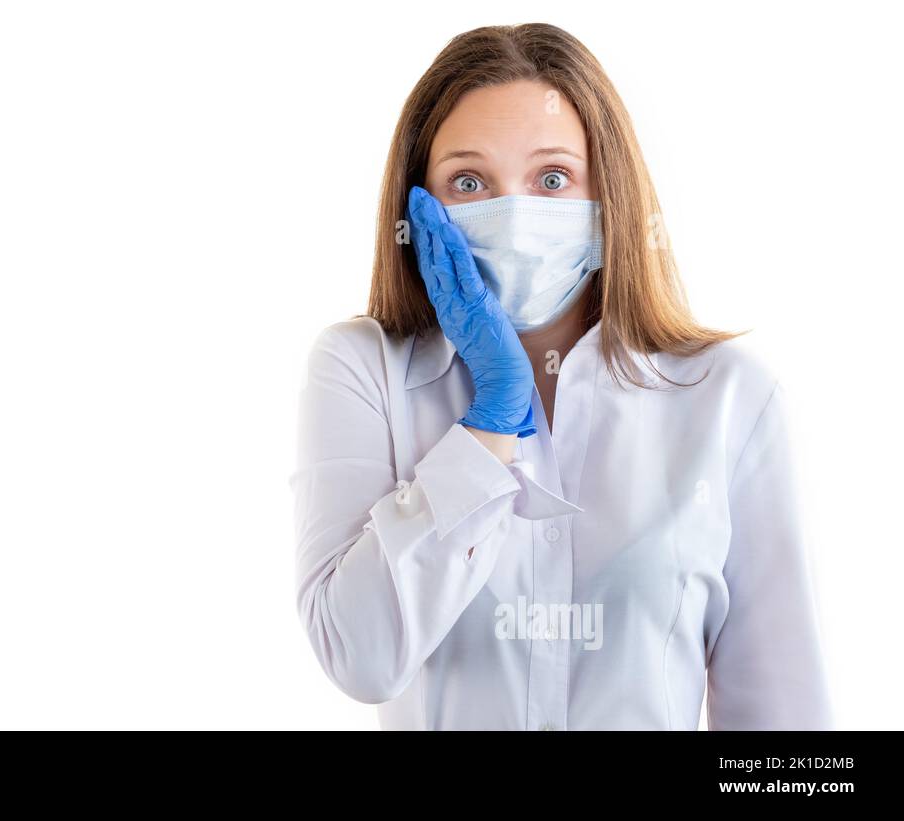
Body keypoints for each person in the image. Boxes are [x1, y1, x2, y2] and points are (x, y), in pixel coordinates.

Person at [290, 23, 832, 730]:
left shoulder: (730, 398)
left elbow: (787, 737)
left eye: (552, 179)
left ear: (608, 197)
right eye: (469, 181)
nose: (517, 217)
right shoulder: (361, 371)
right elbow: (359, 654)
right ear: (417, 209)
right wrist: (492, 420)